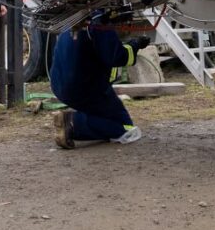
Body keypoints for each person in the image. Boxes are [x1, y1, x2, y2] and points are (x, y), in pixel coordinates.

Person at [49, 11, 150, 149]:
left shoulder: (72, 14)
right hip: (85, 89)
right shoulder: (100, 20)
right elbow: (116, 56)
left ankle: (74, 123)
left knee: (104, 115)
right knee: (125, 128)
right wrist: (135, 45)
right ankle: (73, 123)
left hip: (59, 85)